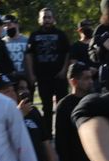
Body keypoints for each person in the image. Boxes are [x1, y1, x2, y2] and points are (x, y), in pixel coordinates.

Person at [25, 8, 70, 138]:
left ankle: (63, 133)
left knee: (62, 106)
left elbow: (67, 53)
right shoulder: (34, 36)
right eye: (44, 17)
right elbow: (29, 55)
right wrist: (31, 74)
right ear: (39, 20)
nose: (47, 20)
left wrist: (64, 70)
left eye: (49, 17)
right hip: (43, 77)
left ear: (53, 19)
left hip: (59, 77)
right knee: (46, 107)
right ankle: (48, 135)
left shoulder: (61, 34)